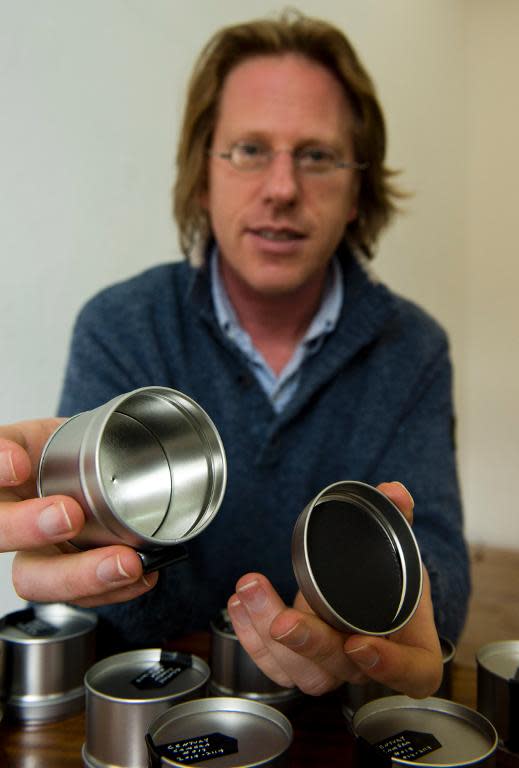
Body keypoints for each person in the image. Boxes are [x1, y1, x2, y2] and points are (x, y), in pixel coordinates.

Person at [0, 10, 469, 699]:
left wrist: (366, 631)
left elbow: (438, 584)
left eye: (315, 155)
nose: (281, 188)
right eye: (249, 150)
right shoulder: (120, 326)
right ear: (201, 177)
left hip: (341, 722)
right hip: (156, 708)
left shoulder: (413, 350)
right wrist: (104, 541)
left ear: (355, 193)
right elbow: (115, 615)